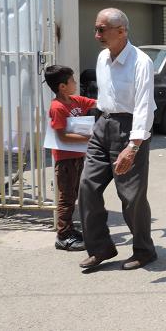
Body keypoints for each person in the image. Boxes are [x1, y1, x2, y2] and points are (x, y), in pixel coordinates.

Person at [78, 8, 157, 271]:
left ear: (121, 31)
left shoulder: (141, 62)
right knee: (87, 186)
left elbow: (144, 107)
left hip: (130, 129)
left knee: (132, 196)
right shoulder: (102, 57)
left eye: (102, 29)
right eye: (96, 29)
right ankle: (100, 248)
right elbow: (105, 96)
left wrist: (133, 147)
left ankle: (144, 250)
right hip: (103, 125)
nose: (96, 34)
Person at [45, 65, 97, 252]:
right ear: (62, 87)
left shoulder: (75, 101)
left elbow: (97, 103)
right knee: (66, 198)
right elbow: (63, 136)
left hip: (77, 157)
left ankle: (69, 229)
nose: (76, 83)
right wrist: (90, 137)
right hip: (65, 160)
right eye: (72, 81)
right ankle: (63, 236)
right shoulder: (57, 107)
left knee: (74, 194)